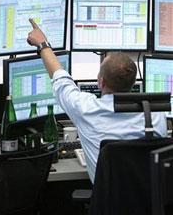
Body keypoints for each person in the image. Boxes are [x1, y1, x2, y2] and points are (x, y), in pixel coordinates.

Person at [27, 19, 167, 183]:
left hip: (109, 207)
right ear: (133, 82)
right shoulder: (156, 115)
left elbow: (60, 79)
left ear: (101, 82)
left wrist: (43, 44)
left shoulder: (85, 110)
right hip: (153, 206)